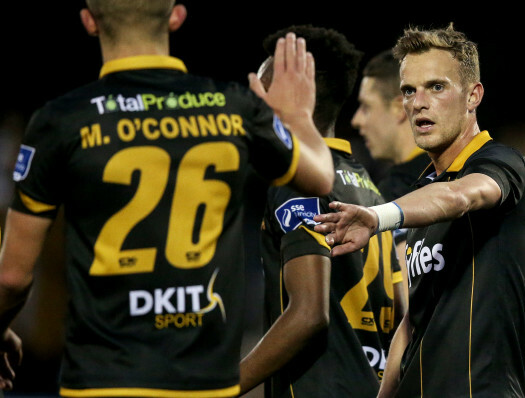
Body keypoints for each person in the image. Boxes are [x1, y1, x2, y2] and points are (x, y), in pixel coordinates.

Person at [0, 1, 336, 396]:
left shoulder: (61, 120)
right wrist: (296, 119)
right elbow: (320, 177)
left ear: (89, 22)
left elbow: (12, 276)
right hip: (206, 381)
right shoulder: (232, 105)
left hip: (103, 380)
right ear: (177, 17)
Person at [314, 23, 525, 397]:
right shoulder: (421, 190)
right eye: (408, 90)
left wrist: (376, 216)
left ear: (473, 96)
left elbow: (459, 197)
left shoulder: (502, 163)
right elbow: (412, 321)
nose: (418, 102)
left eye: (436, 87)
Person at [238, 25, 406, 398]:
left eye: (262, 91)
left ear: (297, 95)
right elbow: (402, 315)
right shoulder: (370, 190)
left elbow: (309, 315)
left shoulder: (297, 181)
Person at [351, 49, 432, 298]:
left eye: (366, 106)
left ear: (400, 108)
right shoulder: (458, 174)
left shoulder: (396, 194)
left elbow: (408, 298)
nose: (356, 120)